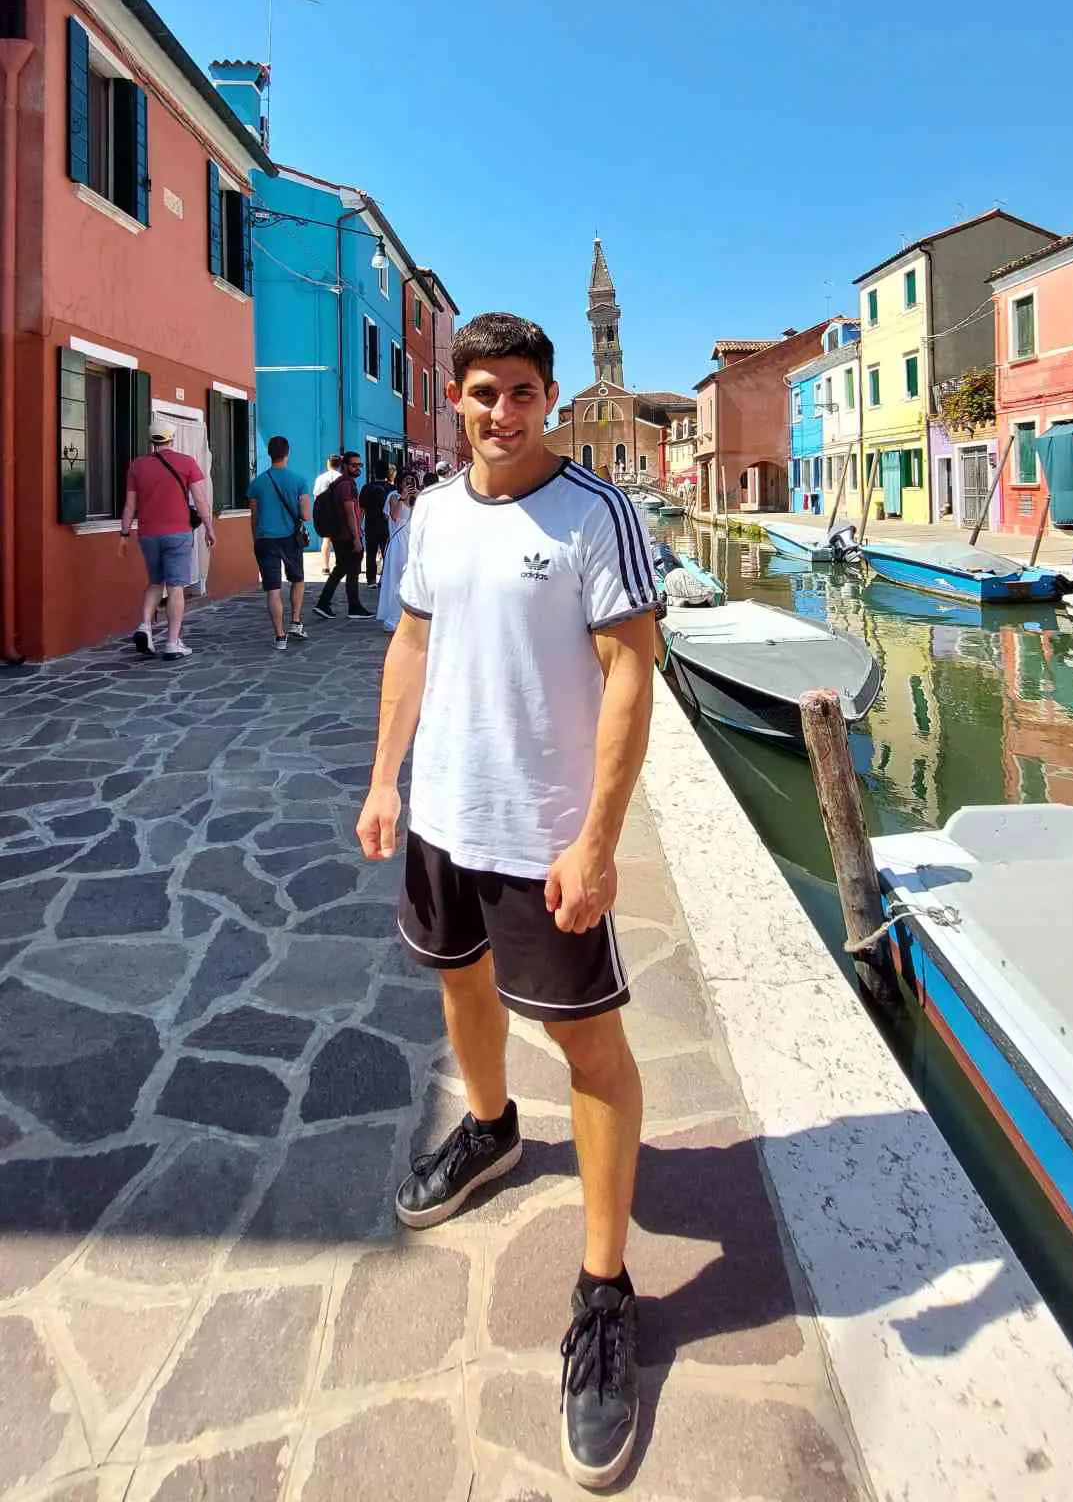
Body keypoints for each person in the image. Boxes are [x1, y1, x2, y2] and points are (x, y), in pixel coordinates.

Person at [355, 313, 661, 1490]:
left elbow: (631, 670)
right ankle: (489, 1125)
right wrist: (385, 778)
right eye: (483, 391)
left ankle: (604, 1290)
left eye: (523, 391)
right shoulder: (432, 513)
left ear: (547, 396)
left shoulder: (595, 512)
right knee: (458, 980)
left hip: (545, 838)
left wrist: (597, 839)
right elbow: (412, 645)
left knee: (590, 1047)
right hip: (444, 816)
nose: (502, 411)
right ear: (460, 396)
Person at [119, 420, 216, 662]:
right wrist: (209, 527)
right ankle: (172, 643)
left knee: (155, 582)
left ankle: (145, 627)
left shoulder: (137, 466)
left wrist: (124, 534)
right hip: (178, 533)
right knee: (175, 587)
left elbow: (130, 505)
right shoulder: (187, 462)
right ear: (171, 438)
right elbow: (200, 500)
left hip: (148, 534)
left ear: (152, 440)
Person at [246, 435, 312, 652]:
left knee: (273, 588)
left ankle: (280, 636)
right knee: (297, 579)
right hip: (290, 538)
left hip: (265, 539)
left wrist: (256, 539)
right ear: (287, 453)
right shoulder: (299, 481)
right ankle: (295, 621)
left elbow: (254, 517)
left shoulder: (257, 483)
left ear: (269, 454)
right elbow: (306, 515)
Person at [314, 449, 371, 618]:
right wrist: (356, 538)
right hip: (346, 535)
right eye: (354, 465)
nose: (357, 468)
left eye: (359, 465)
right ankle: (353, 607)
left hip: (340, 534)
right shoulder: (346, 485)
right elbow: (350, 512)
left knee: (341, 568)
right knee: (352, 570)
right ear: (344, 466)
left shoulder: (342, 483)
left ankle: (324, 603)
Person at [375, 471, 418, 631]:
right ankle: (393, 617)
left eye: (412, 481)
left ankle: (410, 616)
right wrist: (403, 498)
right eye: (407, 481)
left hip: (413, 541)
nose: (409, 483)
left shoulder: (417, 497)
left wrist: (419, 498)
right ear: (400, 482)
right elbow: (394, 516)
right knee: (396, 580)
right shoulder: (394, 496)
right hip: (399, 542)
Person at [358, 463, 392, 585]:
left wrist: (358, 525)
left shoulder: (366, 488)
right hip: (387, 526)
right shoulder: (392, 489)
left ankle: (371, 580)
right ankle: (385, 579)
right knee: (387, 553)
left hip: (371, 525)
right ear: (387, 473)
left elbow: (362, 509)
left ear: (373, 473)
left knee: (371, 553)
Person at [313, 453, 342, 576]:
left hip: (325, 511)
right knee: (341, 539)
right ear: (339, 465)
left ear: (328, 463)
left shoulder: (320, 478)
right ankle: (340, 565)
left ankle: (325, 566)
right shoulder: (342, 478)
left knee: (326, 539)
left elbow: (316, 496)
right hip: (339, 511)